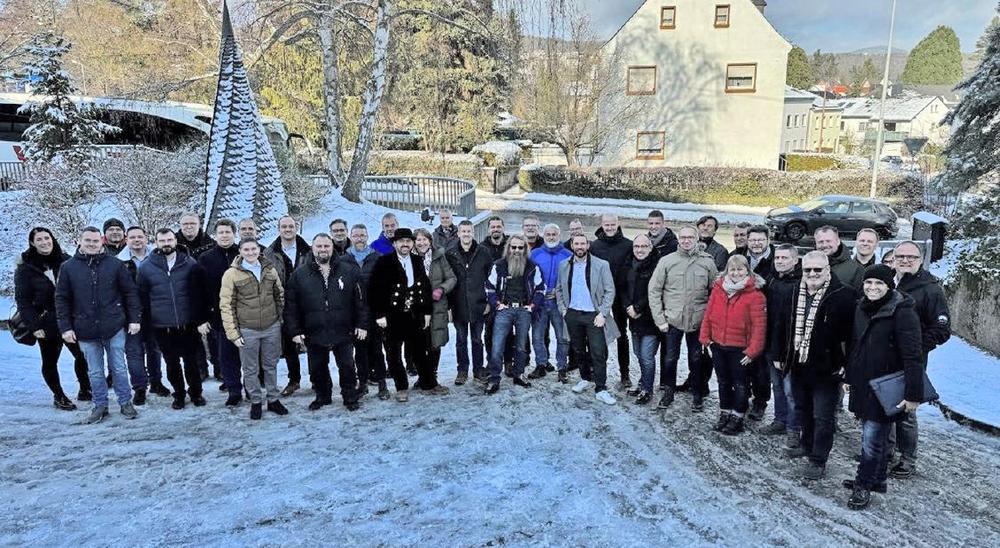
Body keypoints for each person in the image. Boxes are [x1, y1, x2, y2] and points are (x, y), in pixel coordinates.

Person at [844, 264, 923, 510]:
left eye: (879, 283)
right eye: (868, 283)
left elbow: (913, 355)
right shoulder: (861, 307)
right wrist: (849, 377)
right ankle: (877, 479)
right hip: (864, 383)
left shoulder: (902, 311)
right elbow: (856, 346)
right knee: (874, 435)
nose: (873, 287)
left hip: (887, 386)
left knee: (871, 439)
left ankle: (863, 483)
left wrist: (913, 394)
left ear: (890, 286)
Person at [55, 226, 141, 424]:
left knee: (119, 368)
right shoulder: (68, 267)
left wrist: (134, 319)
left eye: (95, 241)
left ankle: (125, 401)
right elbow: (61, 299)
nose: (92, 244)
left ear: (101, 241)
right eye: (88, 241)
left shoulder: (115, 264)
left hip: (114, 325)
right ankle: (100, 405)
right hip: (85, 328)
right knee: (94, 371)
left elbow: (130, 292)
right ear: (80, 241)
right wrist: (65, 327)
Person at [784, 251, 857, 480]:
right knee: (803, 410)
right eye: (808, 269)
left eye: (818, 269)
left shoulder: (845, 294)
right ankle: (807, 446)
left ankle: (818, 460)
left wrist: (847, 364)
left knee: (823, 417)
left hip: (828, 368)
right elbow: (783, 325)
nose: (813, 273)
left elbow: (853, 335)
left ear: (827, 269)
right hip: (799, 364)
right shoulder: (794, 291)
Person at [887, 241, 951, 479]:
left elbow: (942, 330)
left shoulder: (930, 290)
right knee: (885, 406)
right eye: (900, 256)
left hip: (910, 361)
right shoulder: (888, 282)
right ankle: (886, 451)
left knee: (906, 410)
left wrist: (914, 348)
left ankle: (907, 459)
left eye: (911, 257)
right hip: (884, 357)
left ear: (920, 260)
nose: (905, 260)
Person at [284, 234, 368, 411]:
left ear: (332, 248)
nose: (323, 249)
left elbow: (360, 300)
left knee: (347, 366)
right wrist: (295, 330)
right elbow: (291, 306)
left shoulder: (349, 270)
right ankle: (323, 396)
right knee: (317, 367)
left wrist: (362, 324)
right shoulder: (300, 274)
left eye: (326, 246)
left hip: (343, 328)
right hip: (314, 329)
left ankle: (350, 396)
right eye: (319, 246)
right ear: (312, 248)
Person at [15, 227, 91, 410]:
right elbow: (23, 301)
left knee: (83, 355)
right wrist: (34, 326)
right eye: (39, 239)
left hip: (71, 319)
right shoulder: (26, 268)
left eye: (47, 238)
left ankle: (85, 388)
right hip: (46, 321)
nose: (44, 242)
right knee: (50, 361)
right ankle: (59, 396)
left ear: (52, 239)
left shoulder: (65, 260)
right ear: (32, 243)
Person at [136, 229, 210, 410]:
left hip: (187, 322)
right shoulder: (146, 267)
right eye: (162, 241)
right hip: (162, 325)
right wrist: (147, 323)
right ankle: (179, 394)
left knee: (191, 361)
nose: (166, 243)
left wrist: (200, 318)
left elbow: (200, 293)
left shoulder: (189, 263)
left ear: (175, 240)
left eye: (169, 239)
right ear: (156, 242)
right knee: (171, 363)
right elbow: (142, 298)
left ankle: (196, 393)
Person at [648, 225, 718, 410]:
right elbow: (654, 290)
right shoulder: (667, 261)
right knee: (670, 358)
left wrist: (710, 321)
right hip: (673, 320)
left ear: (697, 239)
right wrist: (660, 319)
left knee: (696, 358)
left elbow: (715, 293)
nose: (686, 241)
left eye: (690, 237)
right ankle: (668, 392)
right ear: (678, 239)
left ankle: (697, 393)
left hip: (698, 321)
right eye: (683, 237)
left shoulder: (707, 262)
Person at [220, 238, 289, 420]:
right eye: (246, 249)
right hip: (247, 329)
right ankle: (256, 401)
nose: (250, 253)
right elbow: (226, 305)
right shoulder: (231, 274)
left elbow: (279, 294)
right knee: (250, 369)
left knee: (270, 365)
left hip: (271, 326)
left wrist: (280, 319)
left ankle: (273, 399)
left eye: (253, 249)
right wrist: (233, 333)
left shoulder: (269, 269)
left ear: (259, 250)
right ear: (240, 251)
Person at [699, 254, 766, 435]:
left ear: (747, 271)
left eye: (740, 269)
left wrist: (752, 351)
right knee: (723, 381)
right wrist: (705, 337)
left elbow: (759, 327)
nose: (736, 273)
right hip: (718, 345)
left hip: (740, 349)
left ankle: (738, 416)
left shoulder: (755, 295)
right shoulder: (718, 290)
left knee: (740, 383)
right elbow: (708, 315)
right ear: (727, 271)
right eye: (732, 269)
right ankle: (725, 411)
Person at [368, 228, 433, 402]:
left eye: (408, 241)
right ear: (395, 243)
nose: (405, 244)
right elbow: (374, 290)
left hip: (414, 313)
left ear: (412, 244)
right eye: (401, 241)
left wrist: (427, 311)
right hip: (392, 315)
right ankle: (401, 387)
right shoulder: (384, 262)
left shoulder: (417, 260)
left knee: (420, 351)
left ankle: (428, 384)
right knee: (393, 353)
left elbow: (425, 287)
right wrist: (379, 314)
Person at [556, 234, 620, 405]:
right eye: (576, 243)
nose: (580, 247)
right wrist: (564, 310)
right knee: (578, 350)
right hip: (573, 314)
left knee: (598, 352)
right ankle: (584, 378)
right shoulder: (564, 265)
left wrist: (603, 314)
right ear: (572, 245)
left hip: (594, 315)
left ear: (588, 245)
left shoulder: (601, 265)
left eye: (582, 243)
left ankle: (601, 388)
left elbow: (610, 291)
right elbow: (559, 289)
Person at [483, 234, 544, 393]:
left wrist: (532, 306)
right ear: (508, 248)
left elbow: (540, 289)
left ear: (525, 249)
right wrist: (497, 304)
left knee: (521, 346)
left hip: (524, 310)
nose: (516, 250)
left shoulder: (532, 267)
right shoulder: (499, 265)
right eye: (513, 247)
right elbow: (489, 287)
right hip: (504, 310)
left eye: (520, 247)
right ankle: (494, 378)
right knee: (497, 346)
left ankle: (519, 374)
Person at [117, 226, 167, 401]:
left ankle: (156, 382)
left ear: (146, 238)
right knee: (134, 351)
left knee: (155, 349)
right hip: (130, 315)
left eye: (140, 236)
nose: (137, 240)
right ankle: (139, 387)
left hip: (155, 311)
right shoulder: (119, 262)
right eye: (132, 237)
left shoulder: (158, 257)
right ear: (126, 240)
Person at [759, 244, 802, 447]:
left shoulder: (801, 283)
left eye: (785, 258)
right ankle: (780, 420)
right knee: (776, 385)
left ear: (795, 260)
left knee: (790, 390)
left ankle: (794, 428)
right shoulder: (771, 280)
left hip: (790, 347)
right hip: (770, 343)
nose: (780, 261)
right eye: (777, 258)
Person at [198, 219, 243, 405]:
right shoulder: (206, 258)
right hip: (220, 315)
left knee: (249, 356)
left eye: (228, 232)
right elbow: (199, 290)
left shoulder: (244, 254)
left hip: (246, 313)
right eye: (221, 232)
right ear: (215, 235)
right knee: (226, 356)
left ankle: (252, 388)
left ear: (234, 234)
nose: (224, 235)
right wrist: (202, 317)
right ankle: (234, 391)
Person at [588, 213, 634, 388]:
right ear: (602, 225)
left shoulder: (628, 245)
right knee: (599, 334)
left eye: (612, 224)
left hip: (621, 296)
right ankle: (598, 371)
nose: (609, 227)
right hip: (601, 297)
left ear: (618, 224)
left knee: (622, 335)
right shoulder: (595, 246)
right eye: (606, 224)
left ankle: (624, 374)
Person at [267, 215, 311, 396]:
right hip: (283, 304)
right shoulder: (269, 253)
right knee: (289, 344)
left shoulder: (308, 251)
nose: (287, 229)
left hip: (307, 303)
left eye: (290, 226)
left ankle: (317, 379)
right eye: (284, 226)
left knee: (313, 342)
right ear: (279, 229)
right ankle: (294, 380)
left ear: (296, 227)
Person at [446, 220, 493, 385]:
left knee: (477, 339)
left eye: (469, 231)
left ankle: (478, 370)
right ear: (458, 233)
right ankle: (462, 370)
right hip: (458, 305)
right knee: (461, 340)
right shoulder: (450, 254)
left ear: (473, 233)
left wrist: (488, 302)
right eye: (463, 231)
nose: (466, 234)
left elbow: (490, 279)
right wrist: (449, 307)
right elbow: (447, 280)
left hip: (478, 304)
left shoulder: (483, 252)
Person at [348, 224, 390, 399]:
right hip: (355, 315)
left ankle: (382, 384)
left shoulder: (377, 258)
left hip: (374, 313)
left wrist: (383, 312)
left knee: (377, 350)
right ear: (351, 237)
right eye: (356, 235)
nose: (359, 238)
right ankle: (363, 383)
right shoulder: (344, 260)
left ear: (367, 236)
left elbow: (385, 287)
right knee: (359, 352)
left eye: (362, 235)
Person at [528, 224, 572, 380]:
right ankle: (541, 364)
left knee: (562, 336)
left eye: (554, 234)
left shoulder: (568, 255)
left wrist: (558, 292)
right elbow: (528, 276)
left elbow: (572, 278)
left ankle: (562, 367)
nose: (551, 237)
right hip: (539, 302)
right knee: (537, 336)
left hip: (558, 303)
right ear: (544, 235)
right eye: (548, 234)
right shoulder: (535, 254)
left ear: (559, 236)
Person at [413, 228, 455, 394]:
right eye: (418, 240)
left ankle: (432, 379)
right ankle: (423, 377)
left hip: (437, 306)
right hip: (417, 308)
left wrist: (441, 289)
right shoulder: (409, 258)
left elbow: (451, 278)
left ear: (430, 241)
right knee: (418, 344)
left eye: (424, 239)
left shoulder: (438, 257)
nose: (421, 243)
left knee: (434, 343)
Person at [621, 234, 660, 404]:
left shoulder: (657, 266)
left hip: (651, 319)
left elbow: (655, 292)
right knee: (638, 353)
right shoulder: (629, 264)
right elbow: (622, 288)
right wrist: (628, 306)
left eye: (644, 246)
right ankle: (642, 383)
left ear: (650, 248)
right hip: (633, 318)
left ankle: (647, 390)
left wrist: (638, 308)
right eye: (637, 246)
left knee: (646, 356)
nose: (640, 250)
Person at [745, 225, 775, 420]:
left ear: (767, 241)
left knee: (761, 366)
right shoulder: (739, 257)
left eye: (760, 240)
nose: (756, 243)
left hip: (766, 320)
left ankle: (760, 401)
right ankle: (743, 394)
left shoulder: (776, 261)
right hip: (742, 321)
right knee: (743, 361)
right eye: (753, 240)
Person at [815, 225, 863, 290]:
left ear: (838, 242)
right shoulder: (806, 267)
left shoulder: (855, 269)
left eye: (828, 241)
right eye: (820, 242)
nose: (824, 245)